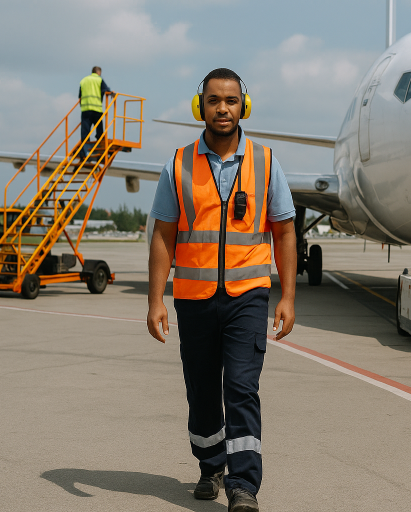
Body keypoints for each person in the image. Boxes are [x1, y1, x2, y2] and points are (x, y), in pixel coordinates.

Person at [147, 68, 297, 512]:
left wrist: (287, 296)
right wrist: (156, 299)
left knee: (241, 388)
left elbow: (285, 232)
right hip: (193, 299)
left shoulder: (266, 162)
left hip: (247, 296)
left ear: (243, 106)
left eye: (231, 100)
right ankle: (210, 464)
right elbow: (162, 235)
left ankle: (244, 485)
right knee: (202, 392)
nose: (223, 109)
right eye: (214, 101)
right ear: (201, 107)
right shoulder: (178, 164)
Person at [78, 66, 113, 157]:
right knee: (99, 128)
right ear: (99, 72)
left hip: (85, 109)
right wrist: (111, 93)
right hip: (96, 109)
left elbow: (80, 96)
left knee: (85, 130)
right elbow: (106, 90)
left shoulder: (83, 80)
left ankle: (85, 149)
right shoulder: (99, 79)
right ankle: (100, 142)